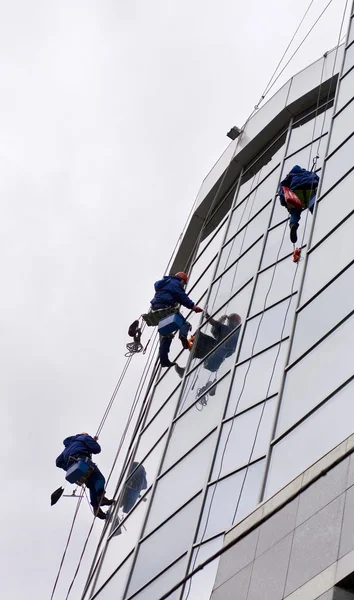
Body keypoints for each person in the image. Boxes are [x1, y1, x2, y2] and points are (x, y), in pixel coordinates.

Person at [149, 271, 203, 369]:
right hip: (166, 306)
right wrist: (193, 307)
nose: (183, 285)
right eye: (184, 283)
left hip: (156, 309)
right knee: (185, 324)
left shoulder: (165, 282)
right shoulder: (175, 283)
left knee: (166, 336)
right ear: (181, 279)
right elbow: (182, 296)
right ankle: (183, 336)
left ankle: (164, 361)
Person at [56, 432, 114, 520]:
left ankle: (96, 508)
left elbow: (58, 462)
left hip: (76, 469)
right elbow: (97, 449)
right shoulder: (84, 438)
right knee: (99, 479)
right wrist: (92, 442)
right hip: (83, 461)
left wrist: (68, 467)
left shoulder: (67, 447)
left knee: (91, 485)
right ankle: (101, 498)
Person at [175, 313, 242, 379]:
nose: (228, 323)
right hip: (214, 356)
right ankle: (185, 369)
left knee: (199, 337)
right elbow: (214, 330)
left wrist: (207, 315)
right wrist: (221, 320)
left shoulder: (232, 333)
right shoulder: (231, 333)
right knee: (197, 343)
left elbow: (215, 324)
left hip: (215, 354)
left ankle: (185, 369)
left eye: (230, 321)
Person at [278, 165, 319, 243]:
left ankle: (293, 224)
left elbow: (282, 188)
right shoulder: (307, 173)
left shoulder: (290, 176)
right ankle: (318, 215)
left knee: (295, 211)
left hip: (296, 191)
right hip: (308, 188)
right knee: (313, 203)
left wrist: (285, 202)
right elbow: (317, 179)